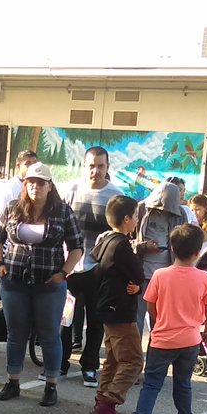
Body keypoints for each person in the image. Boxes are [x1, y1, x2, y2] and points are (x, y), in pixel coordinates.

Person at [0, 162, 84, 407]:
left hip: (49, 284)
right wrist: (0, 264)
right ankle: (13, 381)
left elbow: (77, 247)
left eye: (41, 182)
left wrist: (63, 273)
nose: (35, 186)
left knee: (49, 334)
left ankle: (51, 385)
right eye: (31, 181)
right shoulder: (13, 208)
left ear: (49, 186)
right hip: (14, 281)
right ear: (25, 184)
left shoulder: (62, 211)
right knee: (15, 333)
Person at [119, 224, 207, 414]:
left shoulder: (161, 275)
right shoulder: (204, 278)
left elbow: (151, 304)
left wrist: (161, 317)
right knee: (183, 383)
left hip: (163, 337)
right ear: (198, 251)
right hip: (191, 338)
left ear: (172, 247)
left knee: (152, 383)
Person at [60, 146, 124, 387]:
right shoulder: (72, 190)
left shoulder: (116, 196)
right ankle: (61, 363)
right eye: (91, 165)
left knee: (96, 322)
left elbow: (121, 235)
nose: (95, 170)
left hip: (100, 270)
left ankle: (90, 366)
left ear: (108, 168)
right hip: (71, 267)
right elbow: (61, 226)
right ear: (83, 166)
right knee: (66, 320)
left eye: (101, 166)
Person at [89, 195, 145, 414]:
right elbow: (138, 273)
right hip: (120, 309)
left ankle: (102, 398)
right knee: (133, 360)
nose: (136, 221)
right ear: (126, 219)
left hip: (106, 305)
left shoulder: (105, 239)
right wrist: (137, 284)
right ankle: (108, 403)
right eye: (135, 217)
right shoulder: (122, 244)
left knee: (113, 357)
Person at [134, 182, 188, 335]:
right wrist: (144, 247)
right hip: (142, 273)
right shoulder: (141, 209)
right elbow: (126, 240)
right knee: (137, 316)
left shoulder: (181, 214)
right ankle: (135, 356)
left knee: (159, 320)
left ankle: (155, 355)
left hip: (166, 275)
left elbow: (184, 243)